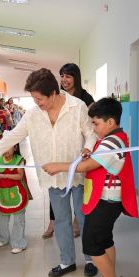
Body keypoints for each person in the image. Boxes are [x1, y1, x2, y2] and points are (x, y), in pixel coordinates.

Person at [0, 68, 98, 277]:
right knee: (61, 219)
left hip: (78, 172)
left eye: (39, 98)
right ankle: (67, 260)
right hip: (53, 176)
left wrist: (88, 147)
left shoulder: (77, 107)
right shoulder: (33, 114)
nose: (36, 102)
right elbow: (14, 135)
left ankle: (91, 259)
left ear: (53, 93)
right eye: (33, 98)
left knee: (84, 217)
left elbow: (91, 133)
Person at [43, 97, 138, 277]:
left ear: (110, 122)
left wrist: (58, 166)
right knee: (104, 239)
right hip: (108, 200)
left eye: (96, 123)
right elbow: (98, 159)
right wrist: (90, 151)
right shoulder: (115, 137)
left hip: (106, 200)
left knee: (92, 243)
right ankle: (108, 276)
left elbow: (88, 167)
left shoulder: (113, 141)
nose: (93, 128)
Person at [42, 63, 95, 240]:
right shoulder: (55, 96)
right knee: (56, 188)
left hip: (78, 154)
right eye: (62, 76)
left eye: (68, 76)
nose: (64, 80)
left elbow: (92, 125)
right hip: (58, 154)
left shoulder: (84, 98)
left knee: (79, 195)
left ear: (76, 78)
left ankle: (77, 222)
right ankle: (53, 221)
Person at [0, 137, 32, 254]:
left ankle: (19, 243)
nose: (5, 149)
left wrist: (3, 176)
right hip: (4, 193)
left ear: (15, 147)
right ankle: (2, 238)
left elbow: (19, 176)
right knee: (2, 218)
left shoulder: (19, 160)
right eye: (3, 146)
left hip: (18, 193)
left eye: (9, 146)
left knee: (19, 219)